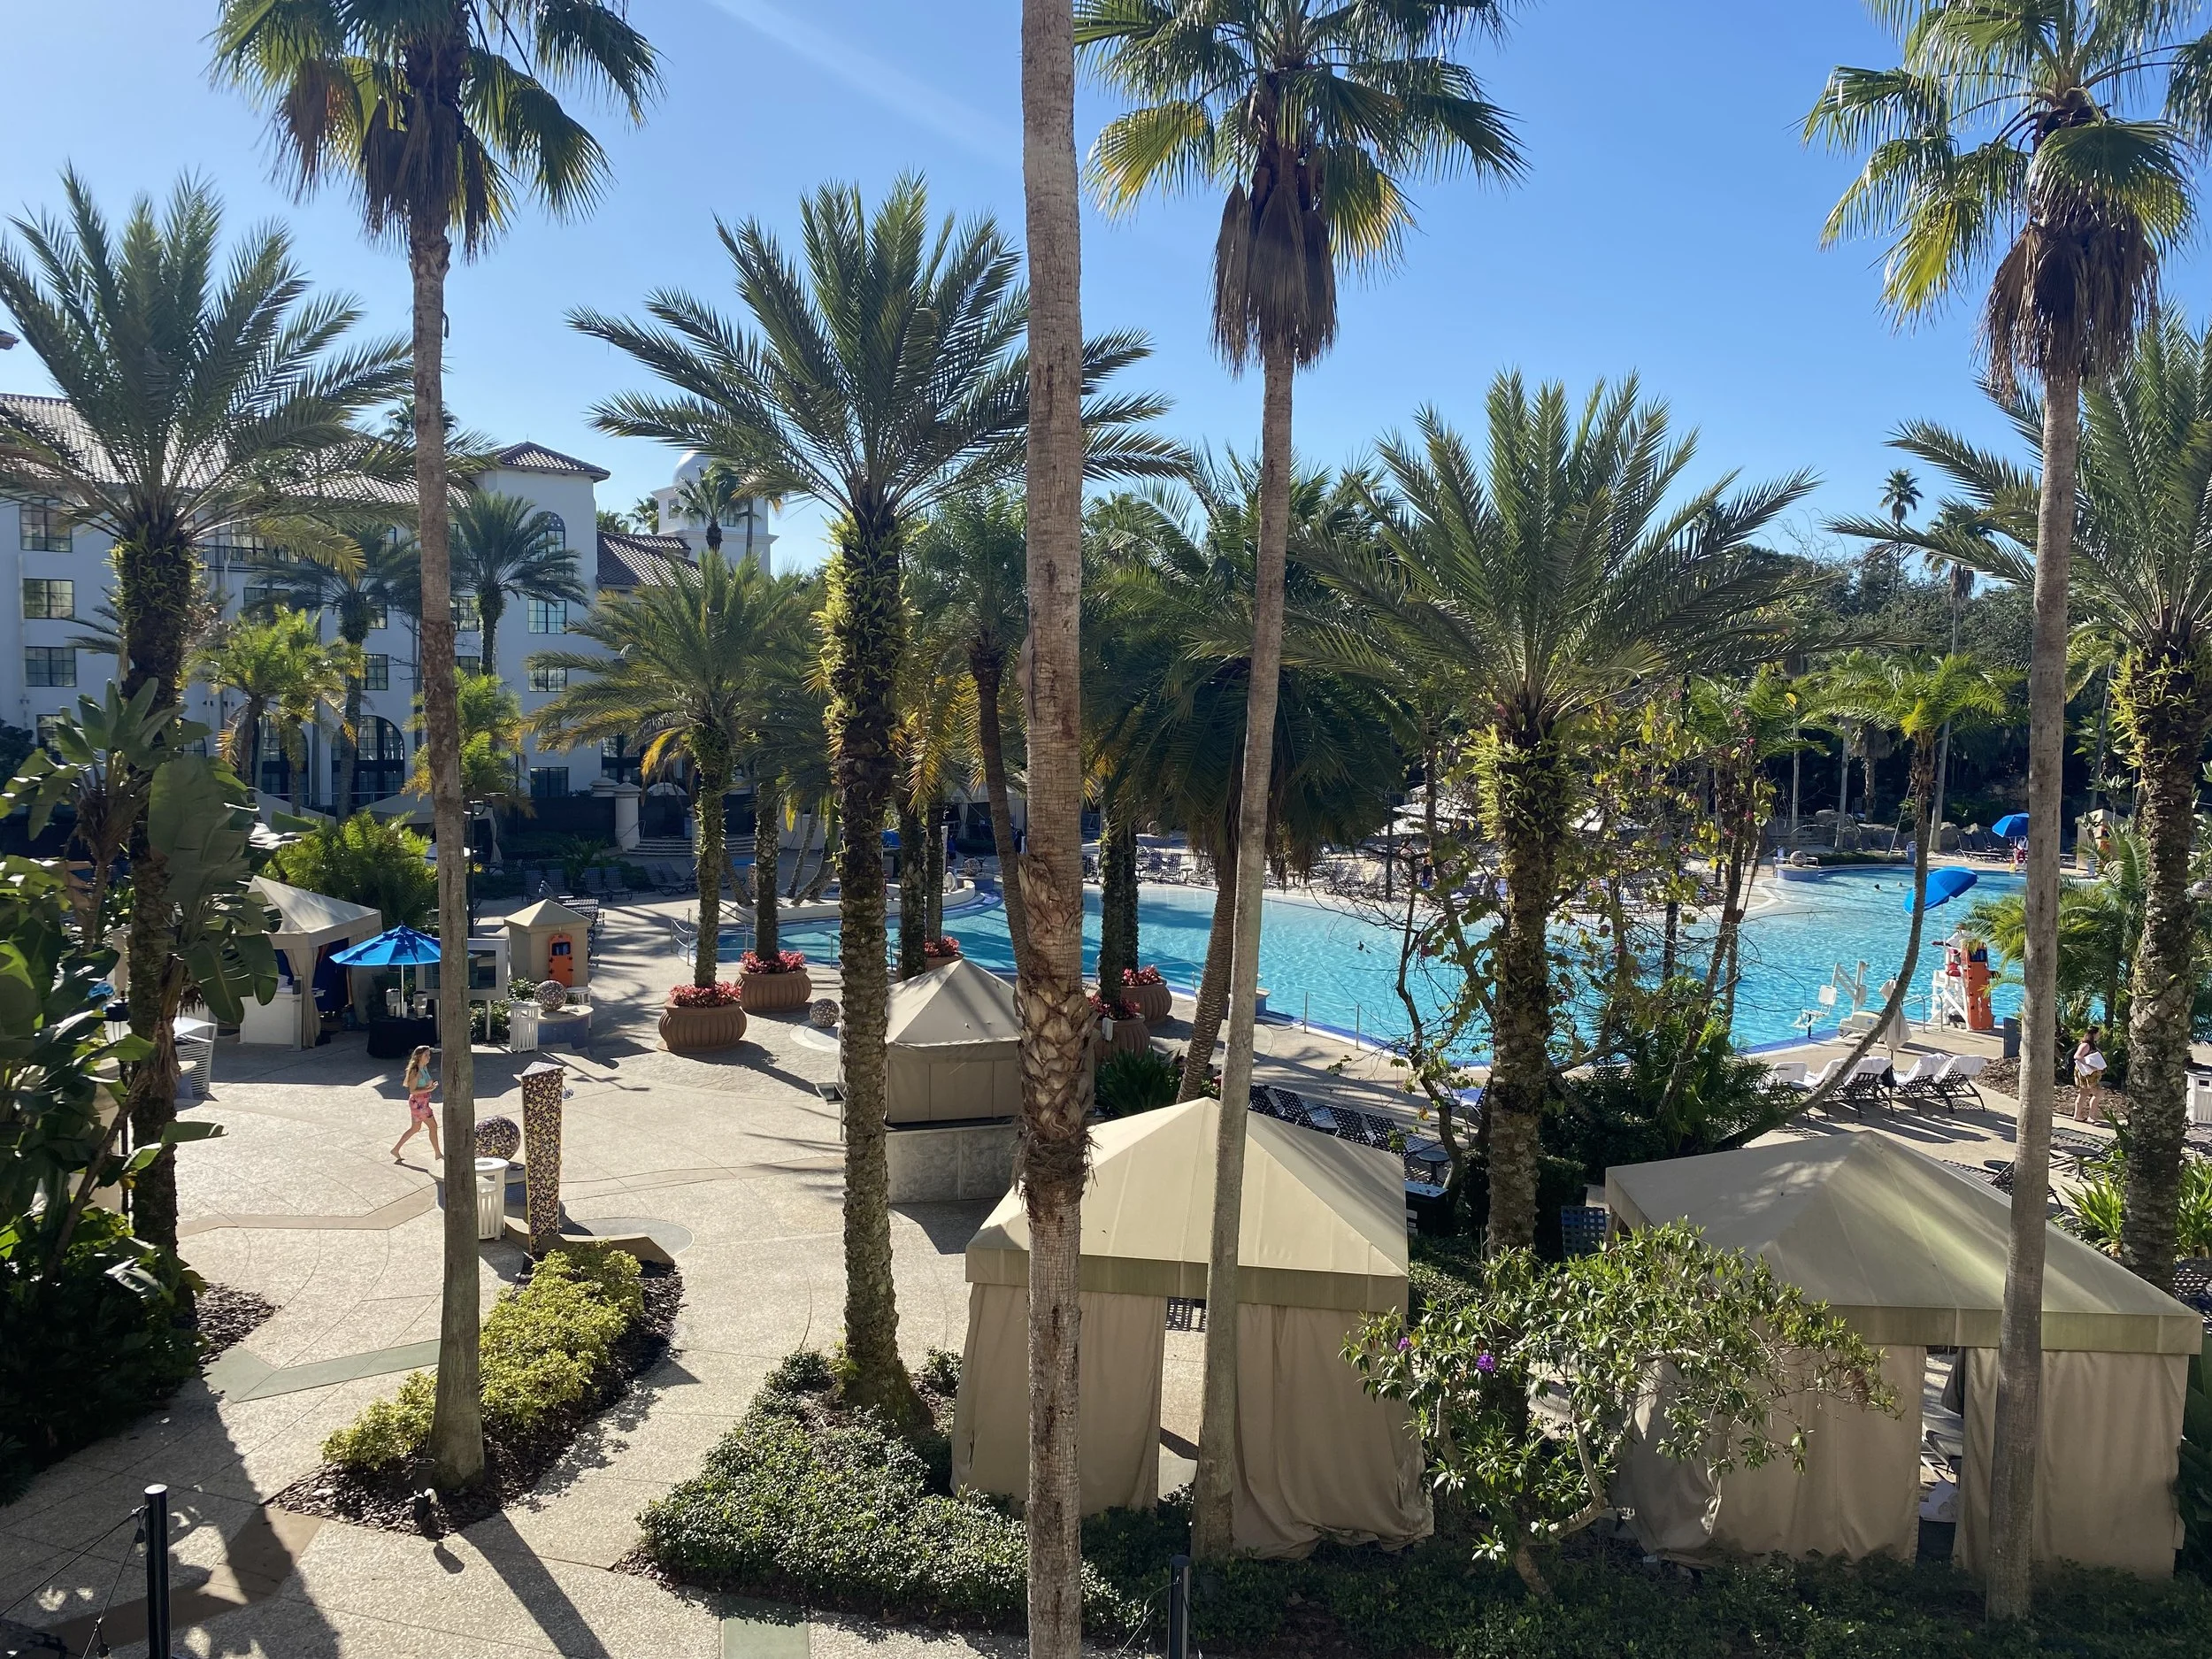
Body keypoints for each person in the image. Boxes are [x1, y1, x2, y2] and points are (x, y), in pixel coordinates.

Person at [392, 1044, 442, 1162]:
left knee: (415, 1128)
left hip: (423, 1102)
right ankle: (438, 1153)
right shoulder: (415, 1071)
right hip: (419, 1104)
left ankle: (396, 1149)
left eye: (429, 1055)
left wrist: (429, 1086)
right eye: (426, 1055)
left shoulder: (424, 1068)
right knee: (433, 1126)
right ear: (419, 1056)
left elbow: (422, 1085)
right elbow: (413, 1090)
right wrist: (429, 1089)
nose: (428, 1057)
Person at [2072, 1027, 2108, 1124]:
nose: (2100, 1035)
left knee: (2084, 1093)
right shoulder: (2086, 1045)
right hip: (2088, 1074)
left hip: (2089, 1073)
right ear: (2094, 1034)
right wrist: (2091, 1065)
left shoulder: (2090, 1045)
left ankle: (2077, 1115)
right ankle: (2091, 1116)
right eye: (2098, 1033)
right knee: (2098, 1093)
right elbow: (2077, 1056)